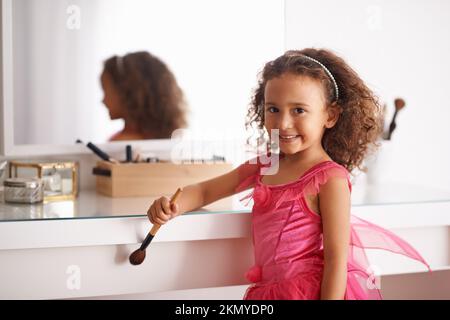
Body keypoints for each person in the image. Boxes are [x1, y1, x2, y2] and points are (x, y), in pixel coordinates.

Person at [147, 48, 431, 300]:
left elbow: (336, 260)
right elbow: (206, 191)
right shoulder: (266, 164)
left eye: (299, 110)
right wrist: (171, 206)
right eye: (273, 109)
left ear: (330, 116)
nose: (283, 123)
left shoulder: (330, 179)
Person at [100, 51, 187, 141]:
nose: (103, 101)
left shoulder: (120, 143)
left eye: (106, 91)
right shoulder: (173, 141)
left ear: (129, 93)